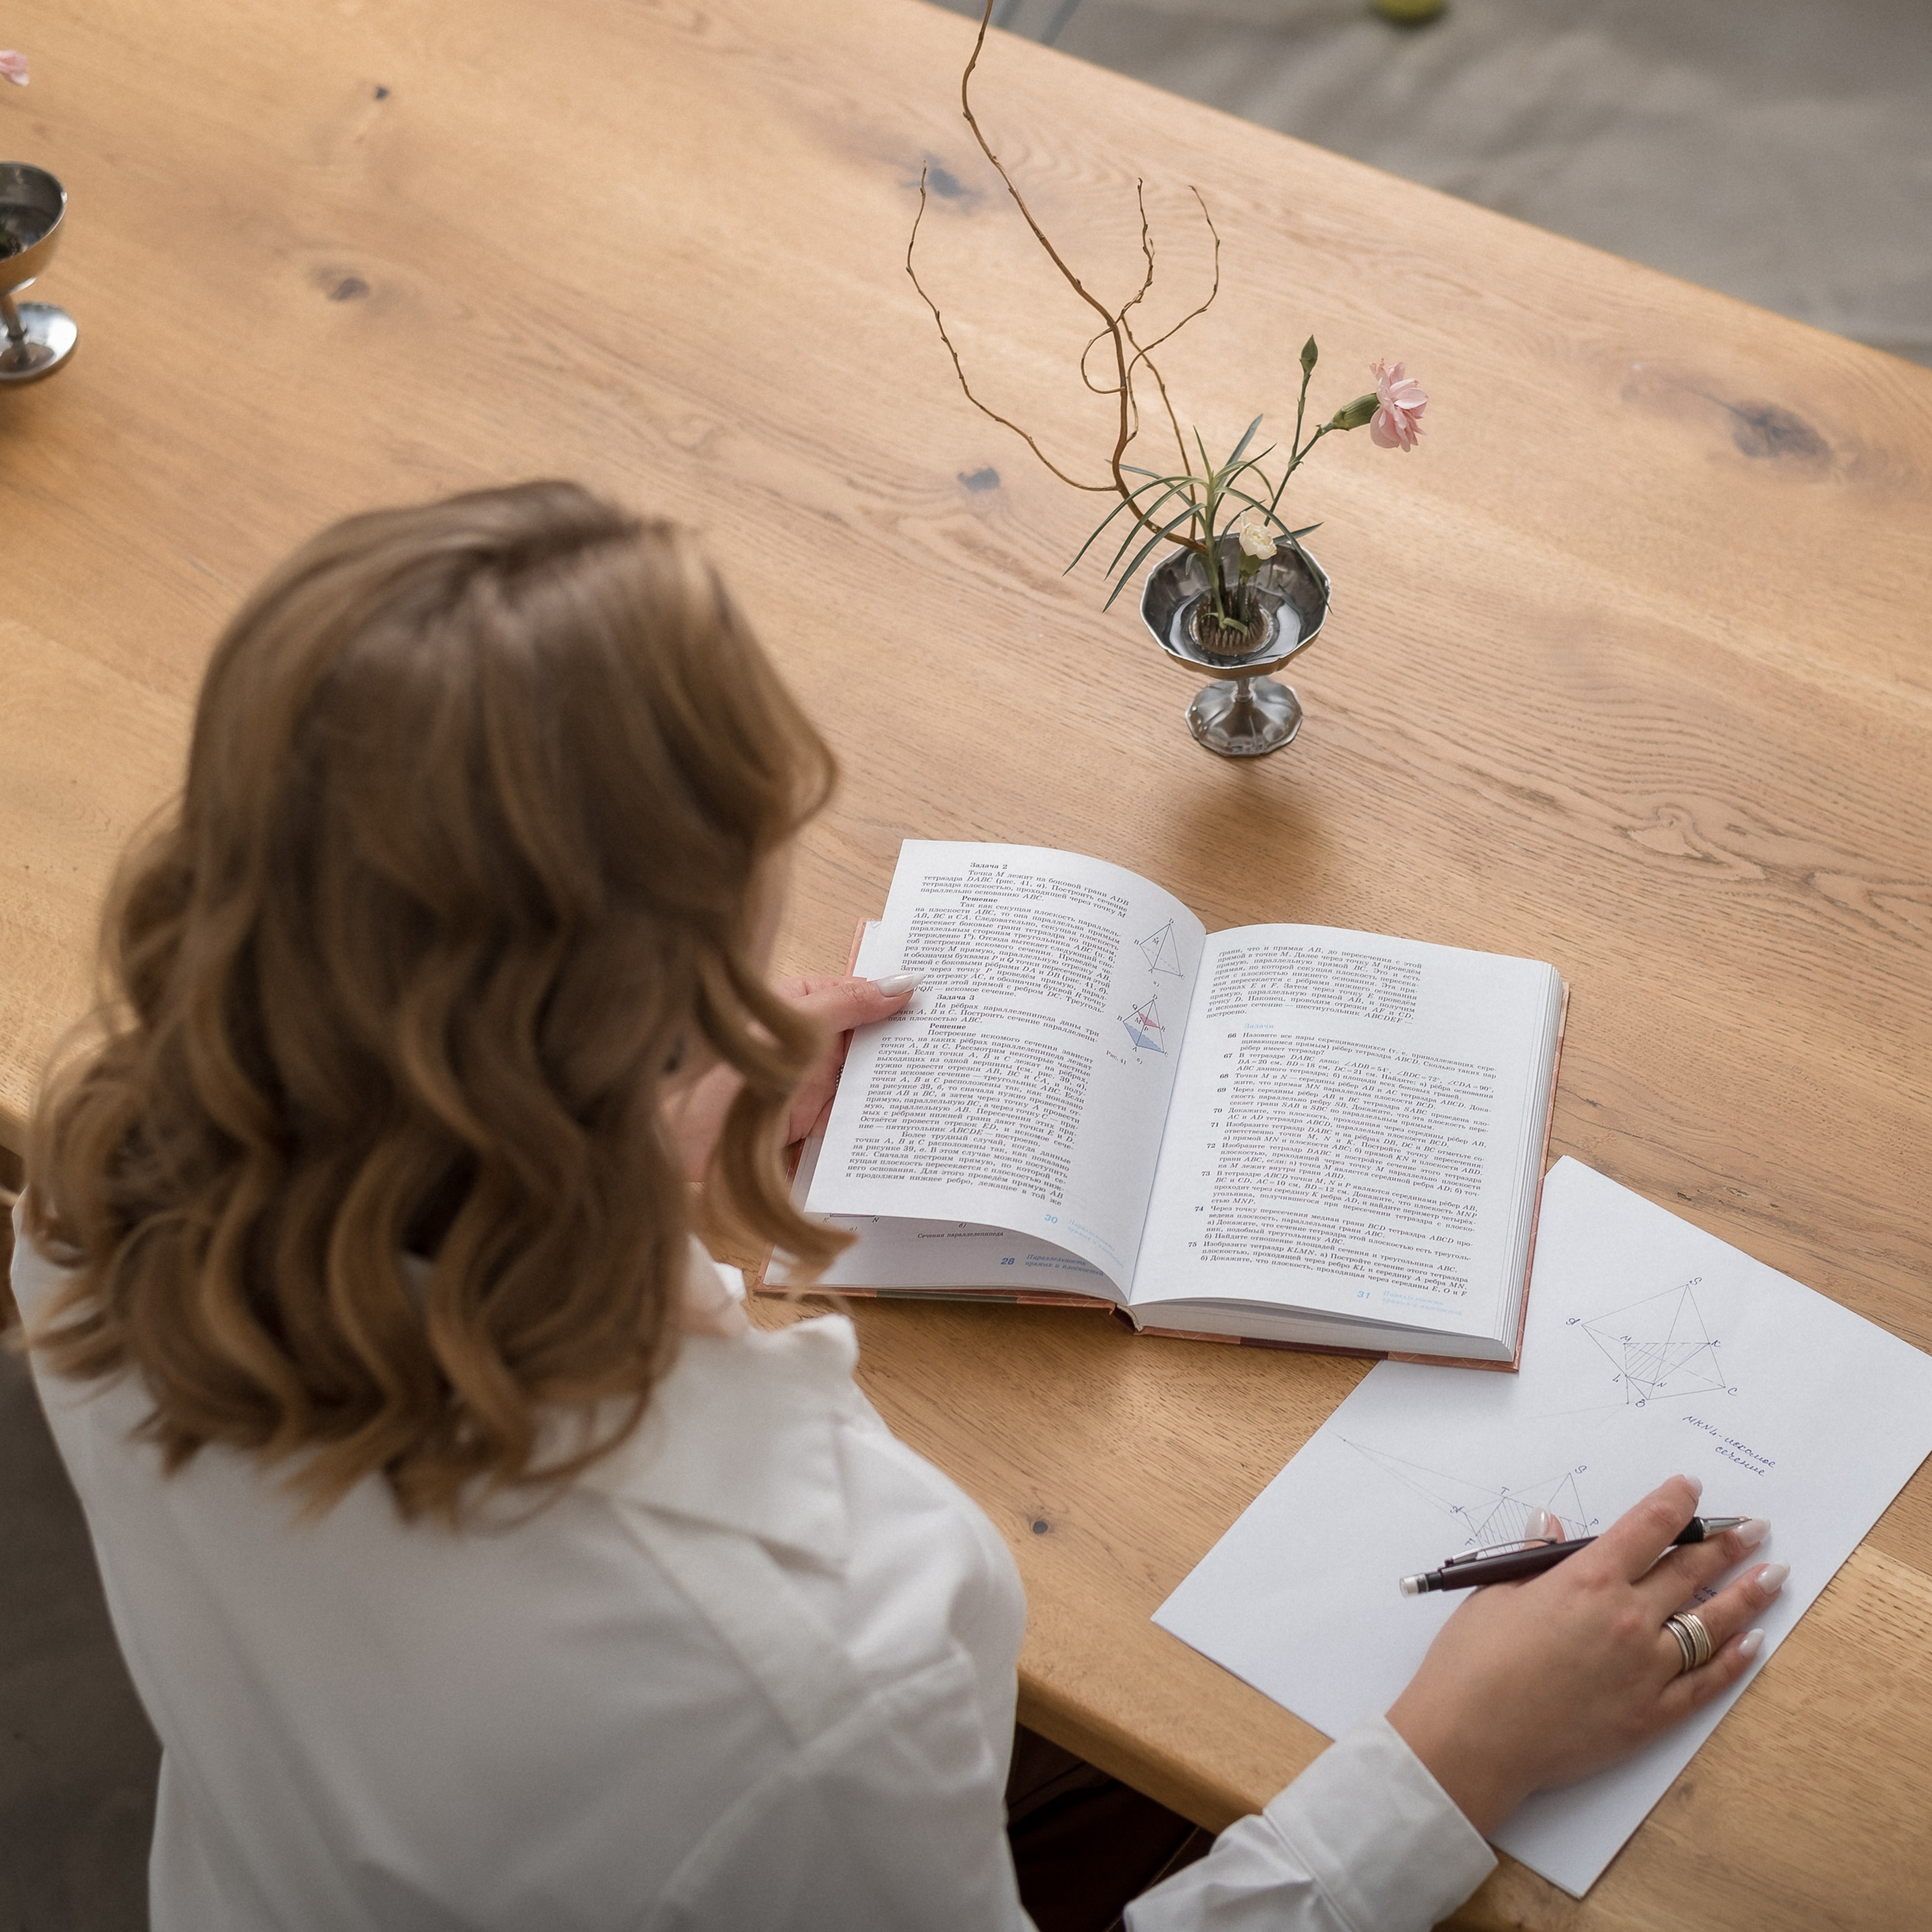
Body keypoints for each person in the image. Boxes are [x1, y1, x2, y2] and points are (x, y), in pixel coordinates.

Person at [8, 482, 1786, 1932]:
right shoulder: (805, 1676)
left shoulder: (100, 1188)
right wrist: (1444, 1761)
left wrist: (646, 1123)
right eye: (722, 956)